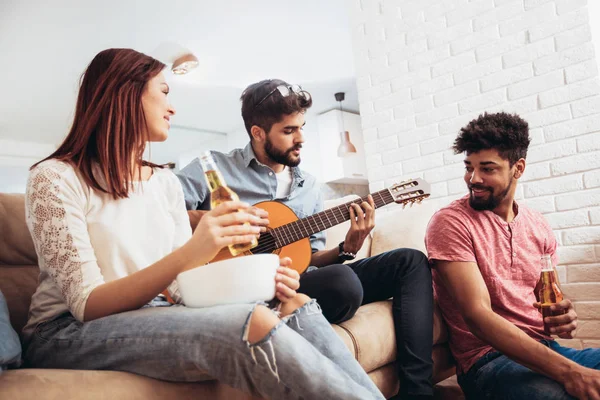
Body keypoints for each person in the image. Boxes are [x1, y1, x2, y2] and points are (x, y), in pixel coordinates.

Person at [22, 48, 385, 400]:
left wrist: (260, 280)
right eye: (163, 92)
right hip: (64, 331)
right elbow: (86, 303)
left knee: (297, 303)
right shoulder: (54, 178)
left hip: (157, 311)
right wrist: (195, 250)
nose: (172, 107)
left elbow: (181, 288)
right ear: (126, 96)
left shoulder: (162, 182)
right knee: (251, 323)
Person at [177, 79, 434, 399]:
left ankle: (418, 393)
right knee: (343, 284)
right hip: (235, 287)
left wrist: (346, 248)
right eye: (288, 131)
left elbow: (308, 259)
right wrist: (217, 220)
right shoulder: (213, 167)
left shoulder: (308, 186)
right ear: (258, 132)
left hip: (296, 283)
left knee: (407, 261)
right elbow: (160, 210)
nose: (300, 138)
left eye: (302, 127)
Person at [424, 112, 600, 400]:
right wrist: (571, 373)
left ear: (518, 168)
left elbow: (547, 298)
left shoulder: (537, 224)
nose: (474, 179)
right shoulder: (451, 222)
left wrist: (564, 314)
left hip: (545, 349)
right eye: (469, 167)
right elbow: (477, 316)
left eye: (488, 169)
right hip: (488, 363)